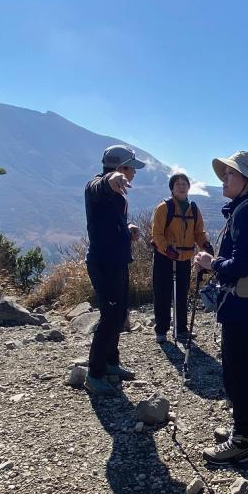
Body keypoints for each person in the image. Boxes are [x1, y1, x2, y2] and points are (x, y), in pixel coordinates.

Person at [194, 151, 248, 464]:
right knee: (247, 364)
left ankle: (242, 439)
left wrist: (210, 263)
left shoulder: (247, 212)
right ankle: (246, 429)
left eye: (230, 175)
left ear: (247, 180)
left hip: (243, 301)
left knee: (238, 368)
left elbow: (240, 264)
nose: (224, 179)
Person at [83, 145, 144, 395]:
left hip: (117, 260)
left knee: (119, 314)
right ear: (120, 167)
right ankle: (94, 373)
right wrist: (111, 178)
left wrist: (126, 227)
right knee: (109, 317)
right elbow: (98, 188)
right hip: (104, 262)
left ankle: (111, 363)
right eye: (130, 168)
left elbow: (107, 221)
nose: (133, 173)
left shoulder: (117, 195)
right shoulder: (98, 185)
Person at [151, 173, 212, 343]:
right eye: (177, 184)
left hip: (184, 257)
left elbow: (198, 232)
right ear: (172, 188)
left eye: (184, 183)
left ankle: (181, 329)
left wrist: (205, 244)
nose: (181, 186)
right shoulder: (164, 208)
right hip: (165, 257)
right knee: (162, 293)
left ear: (188, 187)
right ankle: (161, 330)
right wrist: (166, 248)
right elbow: (156, 233)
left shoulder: (193, 208)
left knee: (182, 293)